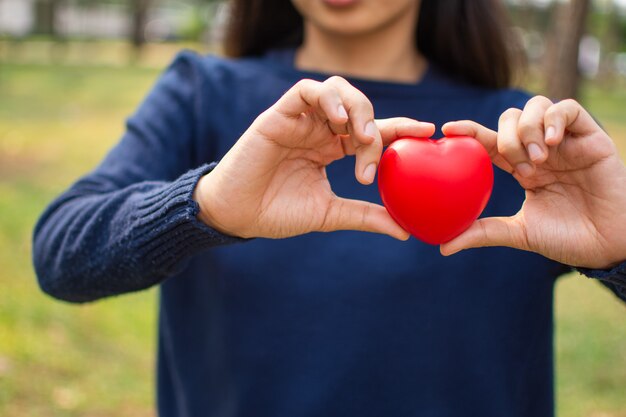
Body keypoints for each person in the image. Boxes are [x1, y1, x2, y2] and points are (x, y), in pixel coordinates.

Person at [33, 0, 626, 416]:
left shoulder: (526, 145)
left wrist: (621, 248)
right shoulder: (201, 94)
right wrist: (202, 205)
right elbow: (60, 255)